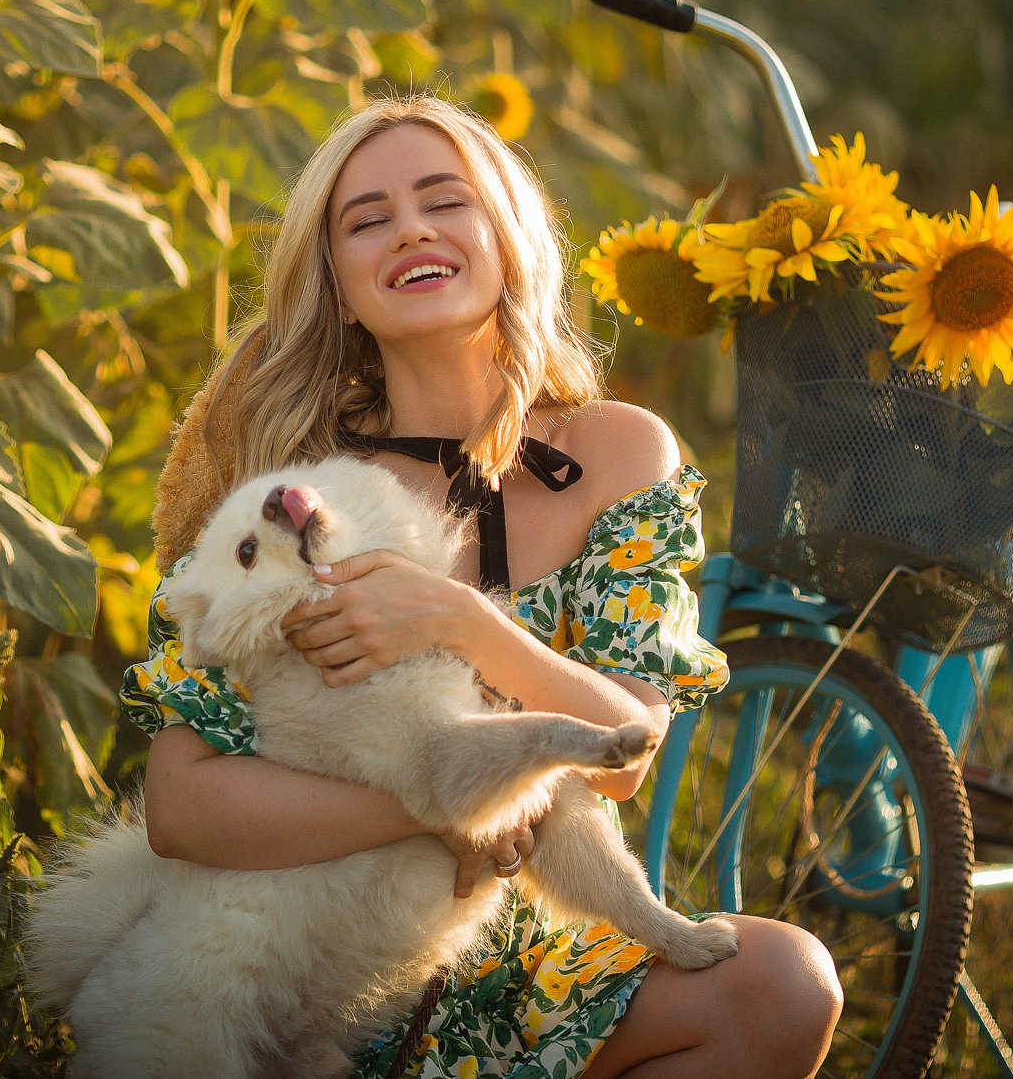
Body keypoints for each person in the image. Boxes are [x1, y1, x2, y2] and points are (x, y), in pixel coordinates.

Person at [120, 95, 843, 1079]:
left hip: (522, 959)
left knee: (784, 980)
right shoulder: (290, 496)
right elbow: (182, 806)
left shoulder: (619, 453)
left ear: (506, 236)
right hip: (320, 968)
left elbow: (622, 749)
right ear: (337, 287)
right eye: (365, 219)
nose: (409, 228)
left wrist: (459, 619)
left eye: (443, 200)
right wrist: (433, 803)